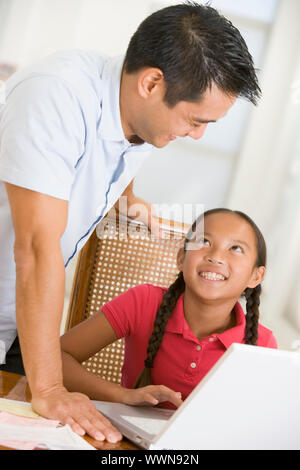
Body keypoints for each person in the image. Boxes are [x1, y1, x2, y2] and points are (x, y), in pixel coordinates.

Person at [0, 2, 261, 441]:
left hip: (15, 325)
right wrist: (48, 386)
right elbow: (35, 248)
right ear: (152, 82)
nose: (197, 135)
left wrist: (130, 202)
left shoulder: (136, 116)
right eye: (195, 121)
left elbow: (113, 159)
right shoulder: (55, 95)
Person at [60, 209, 277, 412]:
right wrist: (122, 395)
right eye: (204, 241)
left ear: (255, 277)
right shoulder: (143, 301)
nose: (216, 256)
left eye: (235, 248)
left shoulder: (263, 344)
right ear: (181, 258)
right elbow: (55, 357)